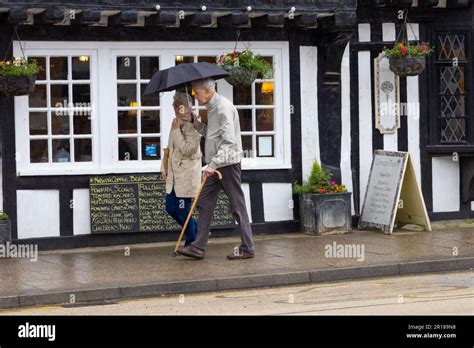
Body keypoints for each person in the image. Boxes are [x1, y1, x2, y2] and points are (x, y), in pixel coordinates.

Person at [177, 78, 255, 260]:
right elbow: (212, 135)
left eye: (197, 93)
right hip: (216, 164)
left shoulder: (222, 108)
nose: (195, 96)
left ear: (208, 91)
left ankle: (248, 248)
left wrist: (212, 165)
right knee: (203, 201)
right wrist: (196, 124)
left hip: (227, 164)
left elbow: (229, 142)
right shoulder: (212, 108)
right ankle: (198, 247)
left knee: (237, 206)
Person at [160, 92, 201, 246]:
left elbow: (188, 150)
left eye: (180, 107)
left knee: (183, 211)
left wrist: (177, 130)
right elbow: (169, 148)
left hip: (185, 175)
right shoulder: (175, 122)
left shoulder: (195, 125)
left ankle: (192, 242)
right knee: (170, 208)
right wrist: (163, 167)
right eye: (175, 107)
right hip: (172, 175)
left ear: (188, 107)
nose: (177, 110)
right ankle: (197, 230)